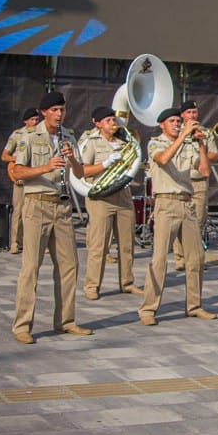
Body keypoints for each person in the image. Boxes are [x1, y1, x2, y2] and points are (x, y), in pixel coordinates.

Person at [10, 92, 92, 344]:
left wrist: (71, 159)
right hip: (37, 204)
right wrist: (46, 166)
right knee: (31, 267)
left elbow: (80, 171)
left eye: (63, 110)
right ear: (44, 111)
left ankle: (65, 321)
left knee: (69, 266)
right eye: (55, 110)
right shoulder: (29, 136)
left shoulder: (68, 135)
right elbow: (16, 172)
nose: (60, 115)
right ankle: (22, 325)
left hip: (62, 208)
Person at [138, 107, 215, 325]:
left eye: (177, 121)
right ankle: (148, 309)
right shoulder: (155, 142)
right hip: (165, 203)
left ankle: (194, 305)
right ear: (162, 124)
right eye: (172, 121)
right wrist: (183, 136)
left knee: (196, 257)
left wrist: (200, 143)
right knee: (160, 258)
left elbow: (205, 171)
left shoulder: (189, 144)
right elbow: (162, 159)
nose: (177, 124)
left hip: (186, 203)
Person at [79, 106, 140, 300]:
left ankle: (127, 282)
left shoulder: (123, 142)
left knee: (126, 243)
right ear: (97, 123)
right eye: (107, 120)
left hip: (122, 195)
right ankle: (92, 285)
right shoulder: (91, 142)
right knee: (99, 244)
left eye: (113, 120)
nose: (112, 123)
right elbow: (82, 170)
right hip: (100, 197)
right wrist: (105, 164)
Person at [173, 100, 218, 271]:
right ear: (182, 115)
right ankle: (180, 258)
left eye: (194, 112)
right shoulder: (177, 131)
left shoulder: (205, 132)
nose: (192, 115)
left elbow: (215, 154)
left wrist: (202, 153)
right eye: (189, 113)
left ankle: (196, 258)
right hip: (182, 179)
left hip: (199, 180)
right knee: (180, 218)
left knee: (198, 219)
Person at [0, 107, 40, 254]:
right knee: (18, 211)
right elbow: (4, 156)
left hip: (37, 176)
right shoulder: (18, 135)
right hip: (22, 177)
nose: (35, 122)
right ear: (25, 121)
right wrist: (16, 159)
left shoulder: (42, 133)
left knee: (39, 212)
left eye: (37, 119)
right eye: (32, 119)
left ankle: (38, 243)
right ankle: (15, 243)